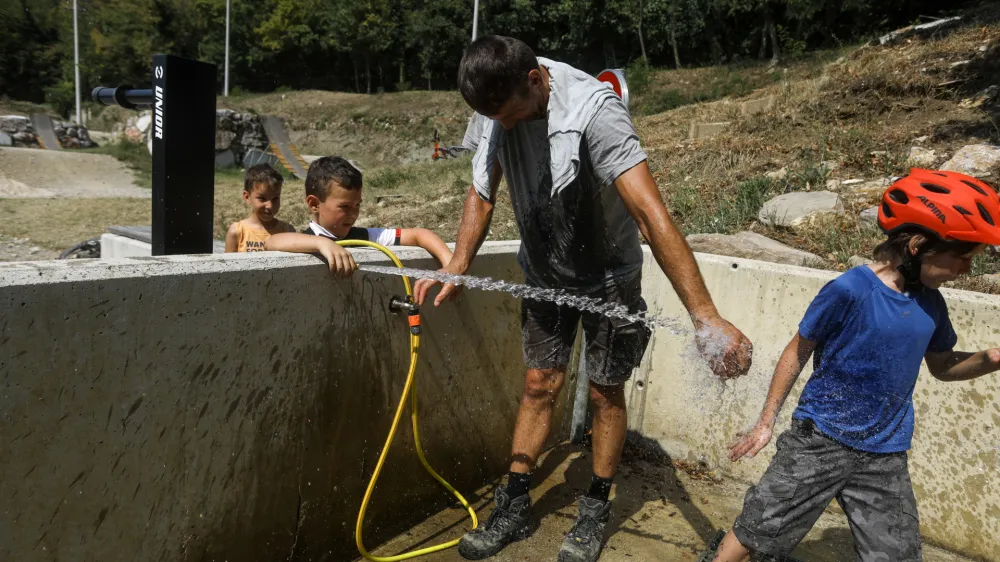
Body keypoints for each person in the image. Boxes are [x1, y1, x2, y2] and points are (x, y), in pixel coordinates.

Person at [412, 36, 753, 562]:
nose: (502, 125)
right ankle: (516, 501)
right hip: (547, 271)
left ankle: (594, 508)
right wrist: (458, 265)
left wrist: (705, 317)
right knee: (537, 383)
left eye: (509, 115)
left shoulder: (596, 111)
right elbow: (483, 191)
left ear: (534, 80)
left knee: (603, 392)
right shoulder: (495, 105)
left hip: (609, 276)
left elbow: (649, 214)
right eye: (492, 118)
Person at [712, 168, 1000, 562]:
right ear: (918, 245)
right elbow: (798, 350)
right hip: (820, 441)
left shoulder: (931, 302)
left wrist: (992, 359)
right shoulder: (851, 290)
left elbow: (943, 365)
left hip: (885, 453)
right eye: (961, 258)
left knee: (898, 555)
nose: (967, 270)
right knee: (758, 532)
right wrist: (766, 422)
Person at [265, 156, 453, 272]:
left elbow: (420, 234)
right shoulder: (307, 240)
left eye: (357, 205)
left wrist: (450, 266)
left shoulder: (365, 237)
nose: (353, 214)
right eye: (345, 207)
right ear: (314, 204)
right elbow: (271, 242)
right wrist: (322, 243)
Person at [225, 163, 296, 252]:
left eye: (275, 198)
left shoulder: (288, 231)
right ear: (247, 197)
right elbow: (228, 265)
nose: (270, 206)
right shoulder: (237, 232)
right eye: (262, 198)